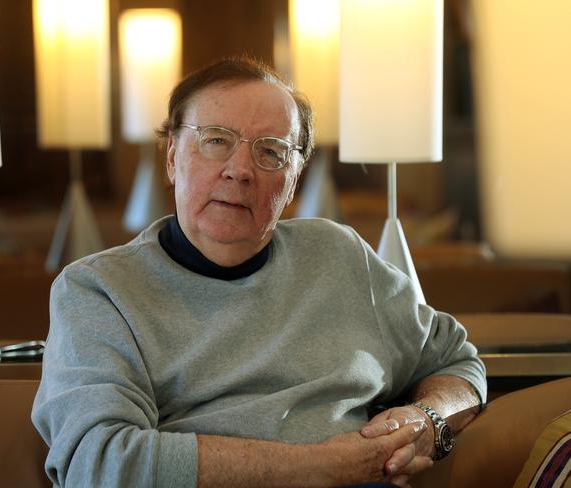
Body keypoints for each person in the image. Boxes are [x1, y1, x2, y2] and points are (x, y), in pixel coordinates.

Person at [32, 56, 486, 488]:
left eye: (271, 152)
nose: (240, 170)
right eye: (215, 140)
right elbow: (101, 464)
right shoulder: (97, 290)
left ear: (294, 179)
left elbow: (457, 361)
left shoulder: (339, 256)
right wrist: (328, 467)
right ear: (171, 157)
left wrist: (429, 420)